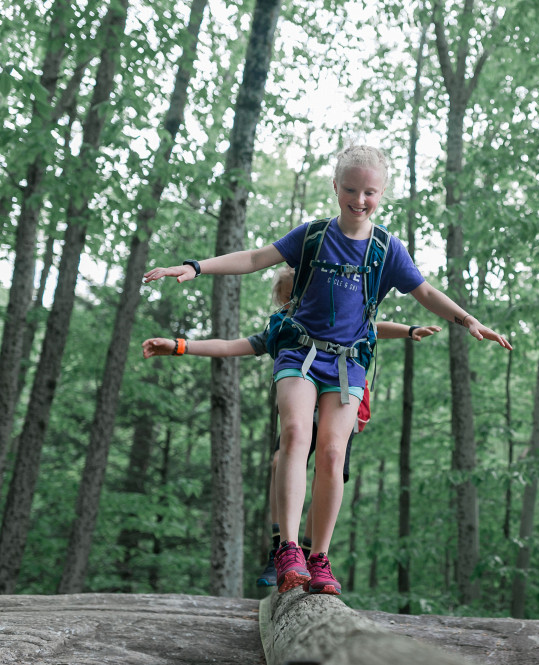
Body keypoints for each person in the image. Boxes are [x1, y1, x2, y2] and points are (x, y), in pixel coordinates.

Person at [144, 144, 512, 595]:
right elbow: (256, 258)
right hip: (298, 352)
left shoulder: (386, 249)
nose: (359, 200)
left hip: (348, 363)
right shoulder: (313, 236)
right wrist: (195, 267)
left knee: (333, 454)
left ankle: (319, 558)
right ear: (335, 187)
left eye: (369, 192)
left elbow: (426, 292)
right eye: (350, 190)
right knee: (296, 433)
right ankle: (288, 550)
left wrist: (468, 320)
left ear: (382, 194)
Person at [141, 266, 441, 587]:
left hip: (339, 400)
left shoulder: (337, 317)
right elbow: (230, 346)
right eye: (287, 301)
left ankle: (313, 553)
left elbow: (374, 327)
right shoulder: (283, 329)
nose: (294, 305)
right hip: (300, 398)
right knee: (281, 458)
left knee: (329, 469)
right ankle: (282, 547)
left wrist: (409, 330)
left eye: (298, 297)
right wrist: (180, 345)